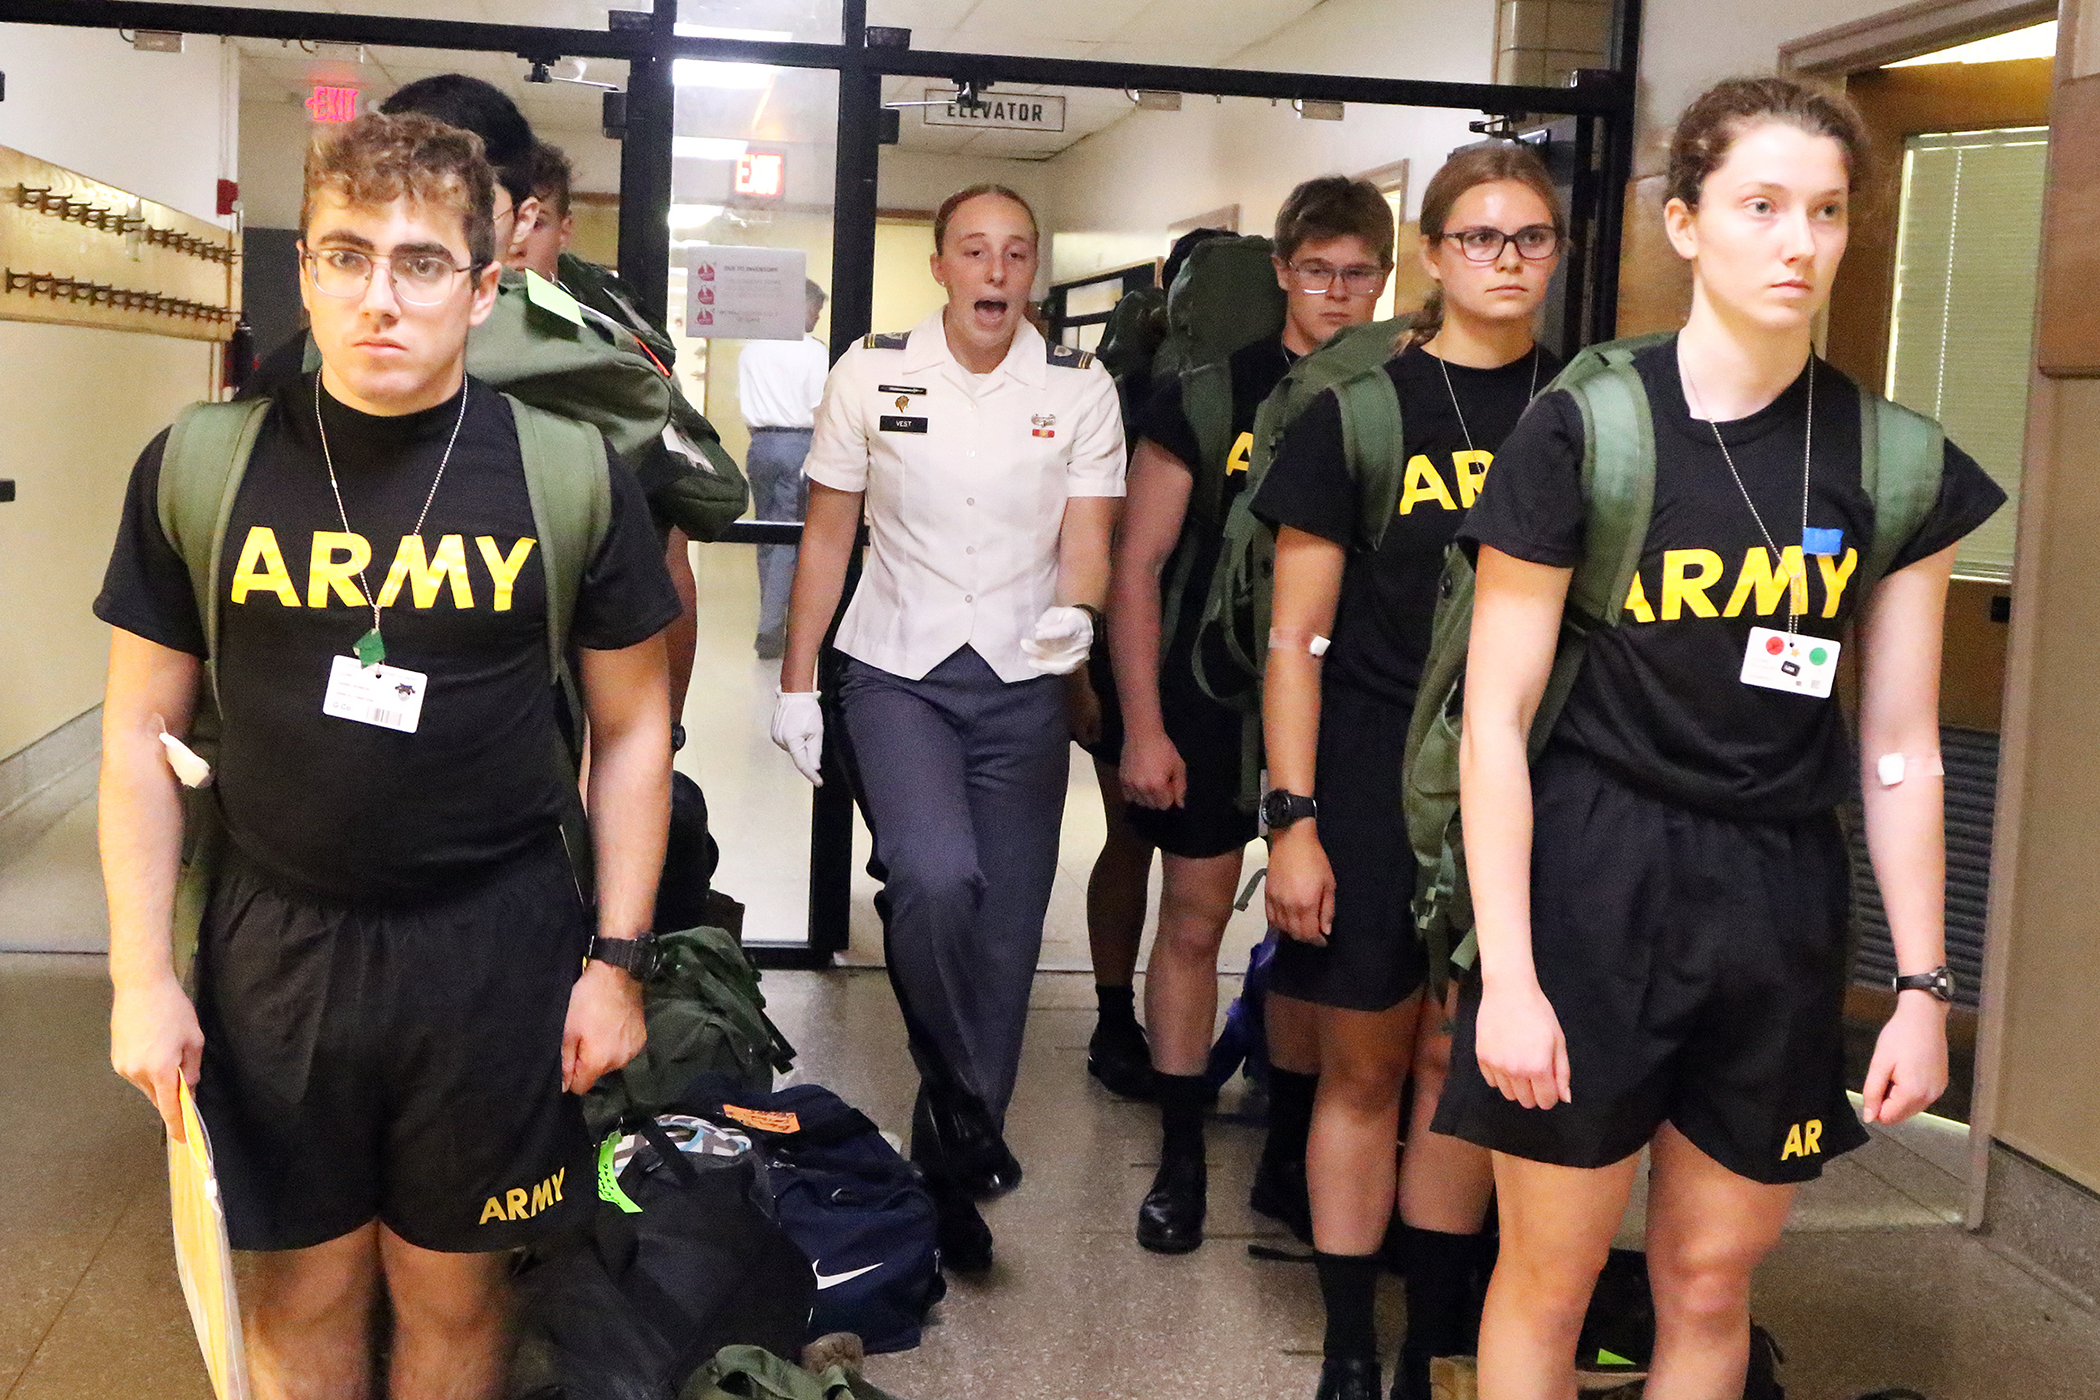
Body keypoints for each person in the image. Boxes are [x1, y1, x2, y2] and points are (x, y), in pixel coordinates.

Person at [1436, 76, 2004, 1400]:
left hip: (1779, 894)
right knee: (1552, 1278)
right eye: (1761, 206)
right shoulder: (1588, 425)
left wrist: (1922, 987)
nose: (1798, 242)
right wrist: (1509, 975)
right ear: (1686, 223)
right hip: (1593, 879)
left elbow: (1900, 742)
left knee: (1708, 1278)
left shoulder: (1896, 462)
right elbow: (1497, 723)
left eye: (1826, 211)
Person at [97, 113, 679, 1400]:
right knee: (297, 1294)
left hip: (493, 941)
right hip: (274, 943)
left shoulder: (565, 474)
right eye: (347, 256)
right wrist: (143, 975)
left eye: (421, 264)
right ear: (303, 270)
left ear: (484, 288)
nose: (379, 297)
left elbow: (636, 728)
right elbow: (138, 735)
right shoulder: (205, 463)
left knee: (455, 1293)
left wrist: (619, 961)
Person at [1253, 144, 1568, 1400]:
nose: (1506, 261)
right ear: (1432, 255)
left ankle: (1427, 1342)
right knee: (1367, 1065)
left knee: (1459, 1066)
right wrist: (1292, 818)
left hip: (1524, 781)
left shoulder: (1586, 407)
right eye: (1480, 237)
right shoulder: (1360, 412)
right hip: (1373, 766)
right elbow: (1294, 638)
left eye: (1531, 238)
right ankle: (1343, 1343)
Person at [771, 183, 1123, 1272]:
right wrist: (795, 681)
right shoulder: (872, 372)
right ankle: (964, 1112)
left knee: (1008, 934)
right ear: (940, 266)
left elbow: (1089, 539)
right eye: (975, 250)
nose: (997, 271)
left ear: (1031, 272)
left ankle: (953, 1152)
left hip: (1022, 683)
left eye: (1017, 253)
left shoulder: (1079, 389)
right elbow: (826, 538)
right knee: (933, 877)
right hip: (898, 669)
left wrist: (1076, 624)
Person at [1109, 177, 1395, 1255]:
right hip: (1210, 694)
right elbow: (1136, 566)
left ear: (1384, 276)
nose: (1336, 291)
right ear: (1280, 269)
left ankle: (1283, 1155)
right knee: (1190, 915)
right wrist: (1142, 723)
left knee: (1307, 930)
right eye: (1316, 269)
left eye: (1358, 271)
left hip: (1341, 708)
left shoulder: (1400, 397)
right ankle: (1181, 1150)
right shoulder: (1208, 393)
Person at [739, 279, 832, 659]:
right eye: (815, 310)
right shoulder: (813, 353)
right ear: (800, 308)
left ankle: (770, 615)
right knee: (789, 537)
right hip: (798, 445)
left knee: (766, 535)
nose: (817, 317)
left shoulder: (752, 349)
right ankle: (772, 629)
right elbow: (818, 408)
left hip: (759, 446)